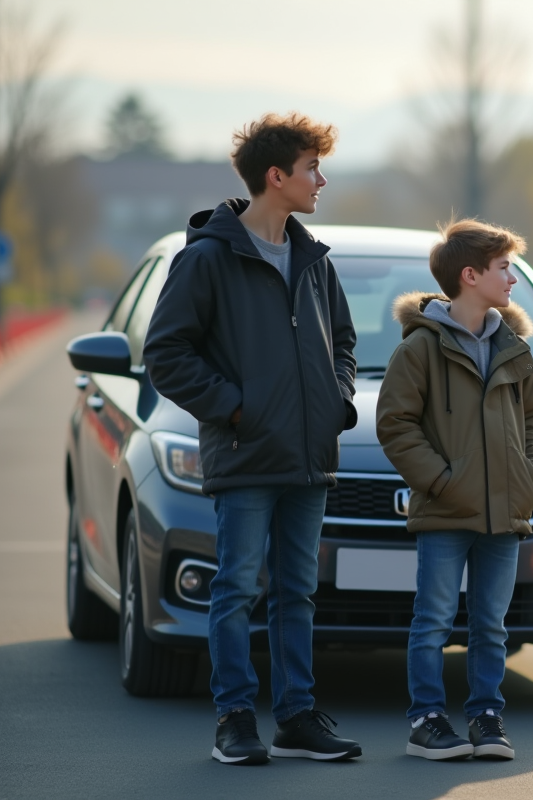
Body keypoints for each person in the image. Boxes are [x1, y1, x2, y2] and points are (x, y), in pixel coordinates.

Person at [144, 113, 361, 765]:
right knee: (237, 588)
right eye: (311, 169)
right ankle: (235, 719)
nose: (320, 181)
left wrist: (337, 402)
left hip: (310, 457)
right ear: (277, 177)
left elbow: (343, 343)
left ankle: (296, 715)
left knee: (298, 590)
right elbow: (167, 351)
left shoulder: (313, 259)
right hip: (244, 455)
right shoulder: (208, 257)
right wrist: (235, 410)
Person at [375, 219, 533, 762]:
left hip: (506, 513)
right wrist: (442, 481)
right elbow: (395, 425)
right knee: (431, 620)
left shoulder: (513, 349)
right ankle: (426, 720)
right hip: (446, 512)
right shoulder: (420, 349)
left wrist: (532, 476)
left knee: (491, 624)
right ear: (470, 276)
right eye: (504, 268)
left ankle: (486, 717)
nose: (513, 279)